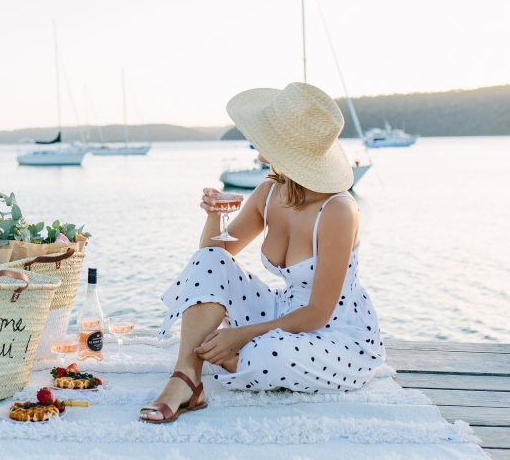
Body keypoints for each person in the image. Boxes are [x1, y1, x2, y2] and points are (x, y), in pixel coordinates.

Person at [139, 82, 385, 423]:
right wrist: (214, 214)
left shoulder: (339, 211)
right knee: (209, 260)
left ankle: (238, 356)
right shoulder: (269, 192)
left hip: (334, 333)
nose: (256, 142)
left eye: (267, 136)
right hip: (281, 310)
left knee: (274, 352)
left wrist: (241, 334)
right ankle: (186, 377)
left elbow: (318, 312)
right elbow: (213, 258)